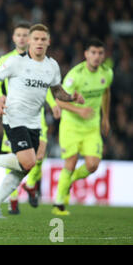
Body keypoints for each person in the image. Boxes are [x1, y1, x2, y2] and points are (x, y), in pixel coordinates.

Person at [0, 24, 84, 218]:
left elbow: (56, 91)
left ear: (48, 42)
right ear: (29, 41)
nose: (39, 42)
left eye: (43, 39)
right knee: (27, 161)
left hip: (35, 122)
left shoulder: (52, 66)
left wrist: (71, 97)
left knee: (26, 167)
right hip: (14, 118)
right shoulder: (14, 62)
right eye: (35, 39)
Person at [0, 23, 61, 215]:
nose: (22, 38)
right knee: (15, 154)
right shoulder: (8, 60)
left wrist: (54, 103)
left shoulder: (46, 64)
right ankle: (12, 199)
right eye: (19, 35)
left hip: (37, 116)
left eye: (25, 35)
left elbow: (45, 86)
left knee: (38, 156)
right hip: (14, 113)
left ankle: (31, 184)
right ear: (14, 38)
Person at [52, 38, 112, 216]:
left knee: (93, 165)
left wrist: (105, 118)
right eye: (93, 53)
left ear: (103, 55)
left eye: (100, 53)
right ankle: (58, 203)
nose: (96, 57)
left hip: (92, 127)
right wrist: (79, 111)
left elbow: (106, 92)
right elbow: (58, 101)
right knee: (70, 162)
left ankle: (69, 182)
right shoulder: (75, 75)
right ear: (86, 54)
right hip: (71, 125)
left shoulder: (107, 73)